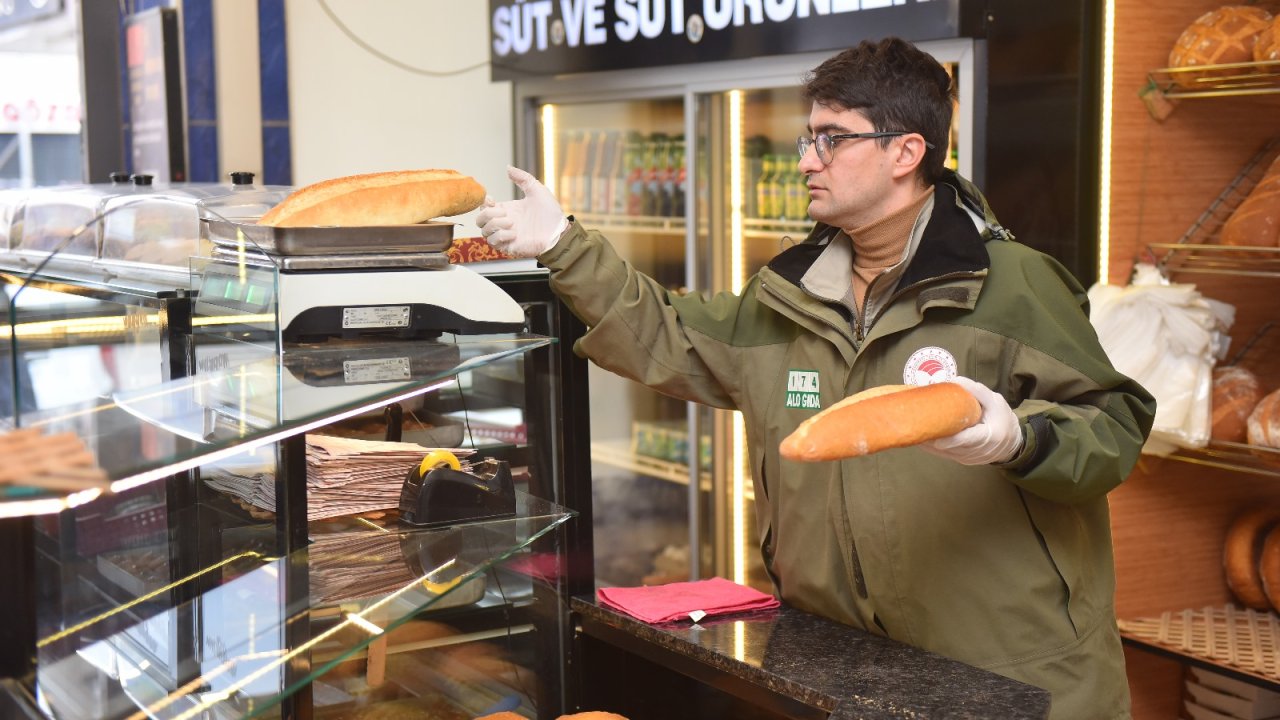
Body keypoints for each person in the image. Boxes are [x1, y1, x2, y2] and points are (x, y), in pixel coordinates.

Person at [477, 37, 1154, 720]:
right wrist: (565, 245)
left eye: (831, 140)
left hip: (1010, 674)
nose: (805, 161)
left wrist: (1020, 439)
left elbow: (1115, 429)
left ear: (905, 152)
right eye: (808, 138)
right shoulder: (786, 294)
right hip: (842, 665)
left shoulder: (1013, 287)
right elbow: (670, 335)